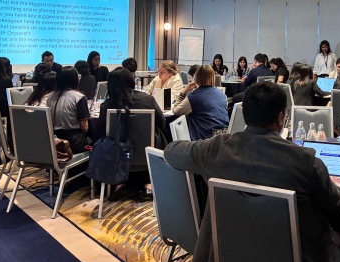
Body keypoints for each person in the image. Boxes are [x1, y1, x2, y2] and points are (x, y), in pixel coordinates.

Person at [160, 81, 340, 262]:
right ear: (281, 118)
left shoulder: (216, 149)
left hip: (231, 255)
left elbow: (171, 152)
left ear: (245, 115)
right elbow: (337, 203)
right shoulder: (305, 160)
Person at [100, 68, 165, 198]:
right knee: (159, 133)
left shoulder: (106, 105)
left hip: (118, 157)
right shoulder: (147, 99)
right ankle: (150, 183)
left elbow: (102, 130)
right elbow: (162, 123)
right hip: (147, 153)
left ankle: (120, 184)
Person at [171, 65, 229, 140]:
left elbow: (175, 111)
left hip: (204, 140)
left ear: (196, 77)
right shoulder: (222, 95)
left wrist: (184, 91)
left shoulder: (195, 97)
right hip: (223, 138)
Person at [49, 68, 91, 150]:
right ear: (74, 79)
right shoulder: (79, 97)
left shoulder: (50, 97)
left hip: (53, 140)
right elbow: (84, 127)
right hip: (73, 142)